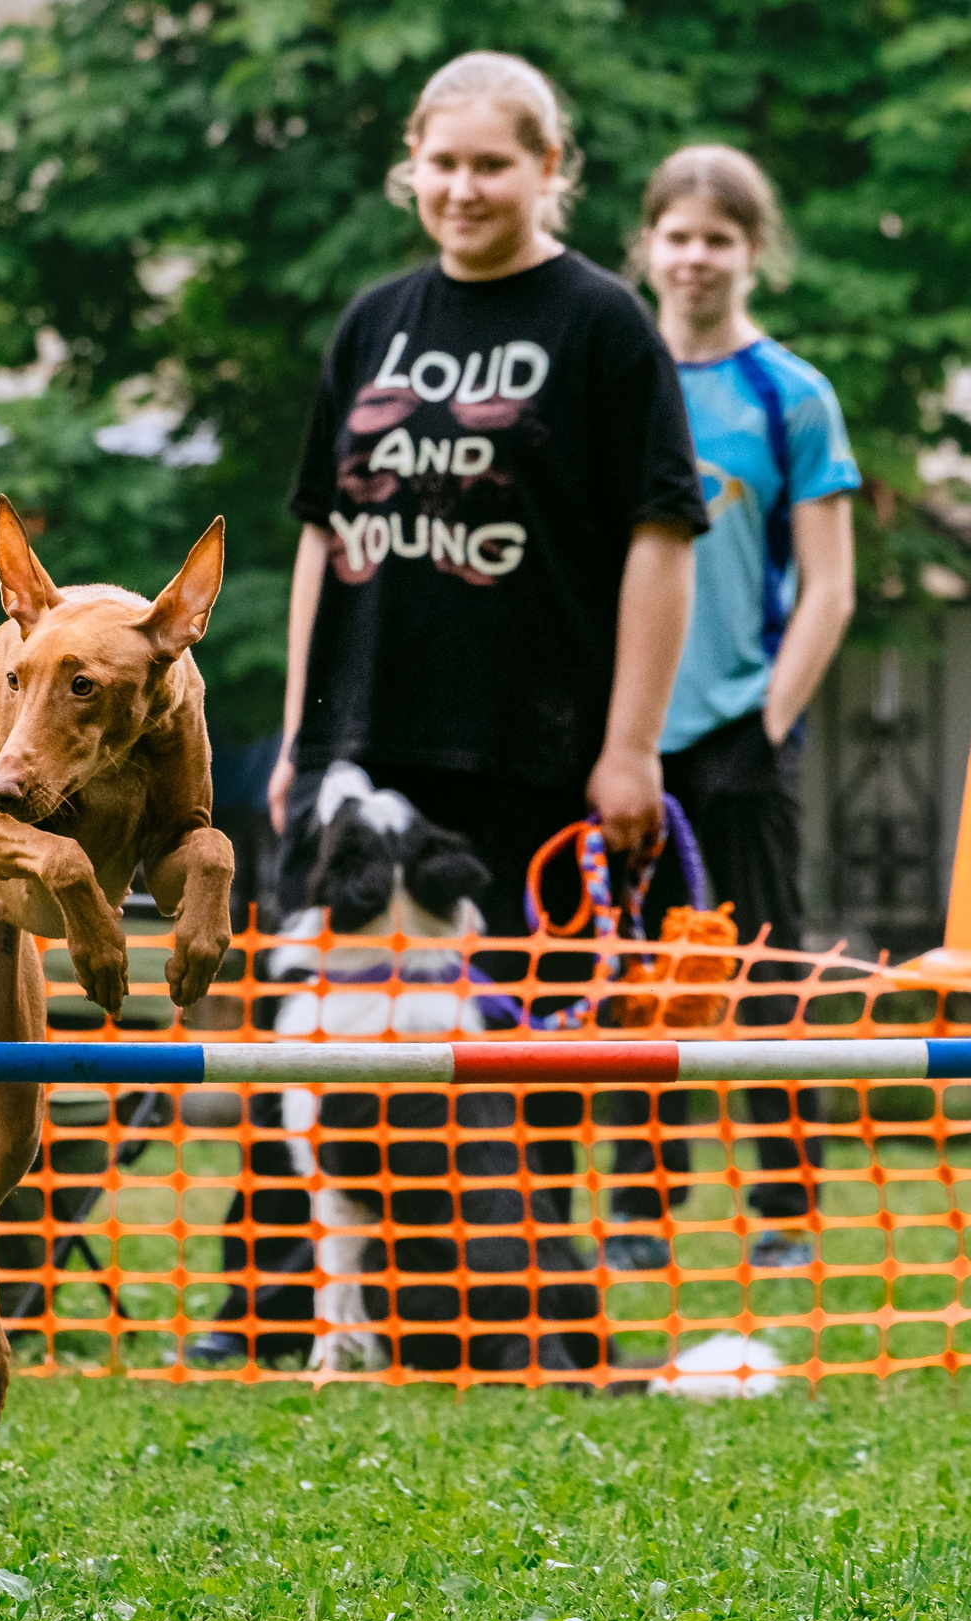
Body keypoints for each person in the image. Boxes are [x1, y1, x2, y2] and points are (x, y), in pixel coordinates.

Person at [232, 51, 708, 1374]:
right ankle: (282, 1319)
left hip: (531, 757)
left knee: (503, 1087)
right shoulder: (373, 319)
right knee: (310, 1056)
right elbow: (324, 538)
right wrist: (301, 740)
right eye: (441, 163)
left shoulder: (604, 325)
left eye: (493, 163)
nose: (462, 188)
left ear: (550, 170)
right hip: (357, 759)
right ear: (410, 167)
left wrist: (630, 744)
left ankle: (507, 1330)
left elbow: (662, 536)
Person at [637, 144, 861, 1266]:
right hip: (626, 738)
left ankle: (783, 1209)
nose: (694, 257)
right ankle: (639, 1210)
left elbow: (830, 584)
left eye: (716, 238)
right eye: (676, 235)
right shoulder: (618, 378)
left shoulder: (791, 395)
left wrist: (767, 719)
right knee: (633, 975)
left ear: (750, 251)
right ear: (646, 248)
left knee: (769, 969)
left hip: (742, 729)